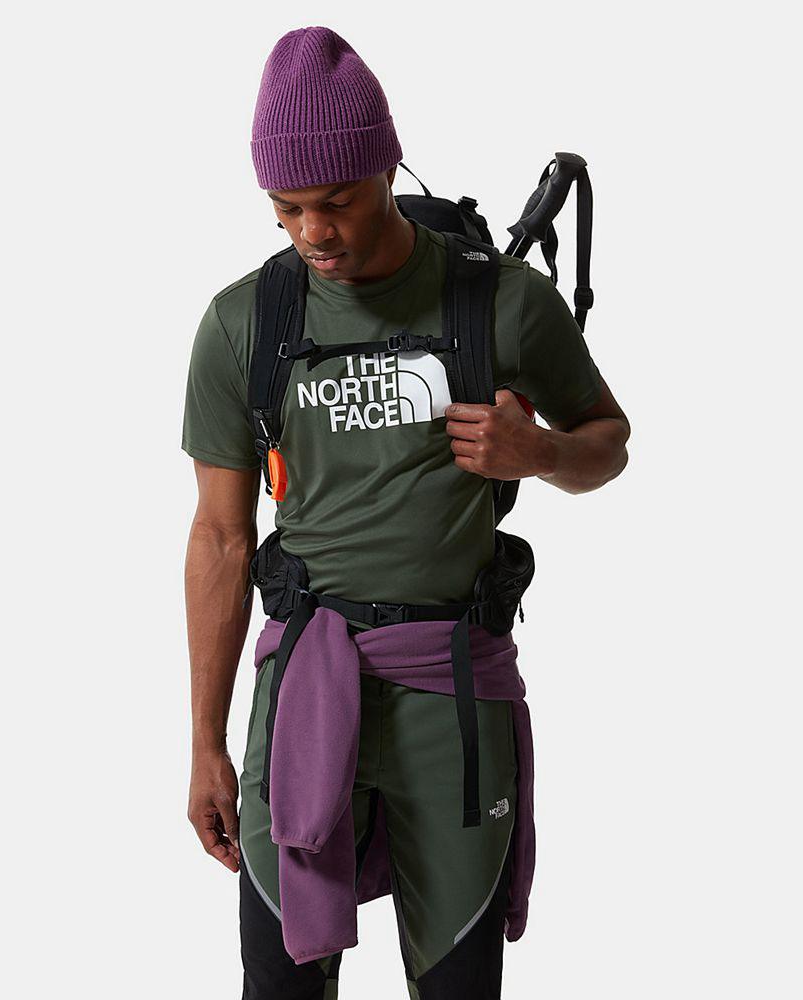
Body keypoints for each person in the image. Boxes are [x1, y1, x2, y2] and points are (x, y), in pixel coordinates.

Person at [181, 25, 630, 1000]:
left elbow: (608, 439)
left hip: (453, 692)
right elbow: (220, 538)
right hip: (303, 690)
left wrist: (540, 454)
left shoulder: (504, 303)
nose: (314, 231)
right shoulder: (244, 322)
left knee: (460, 984)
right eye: (286, 209)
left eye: (337, 201)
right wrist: (206, 741)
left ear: (387, 166)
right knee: (281, 985)